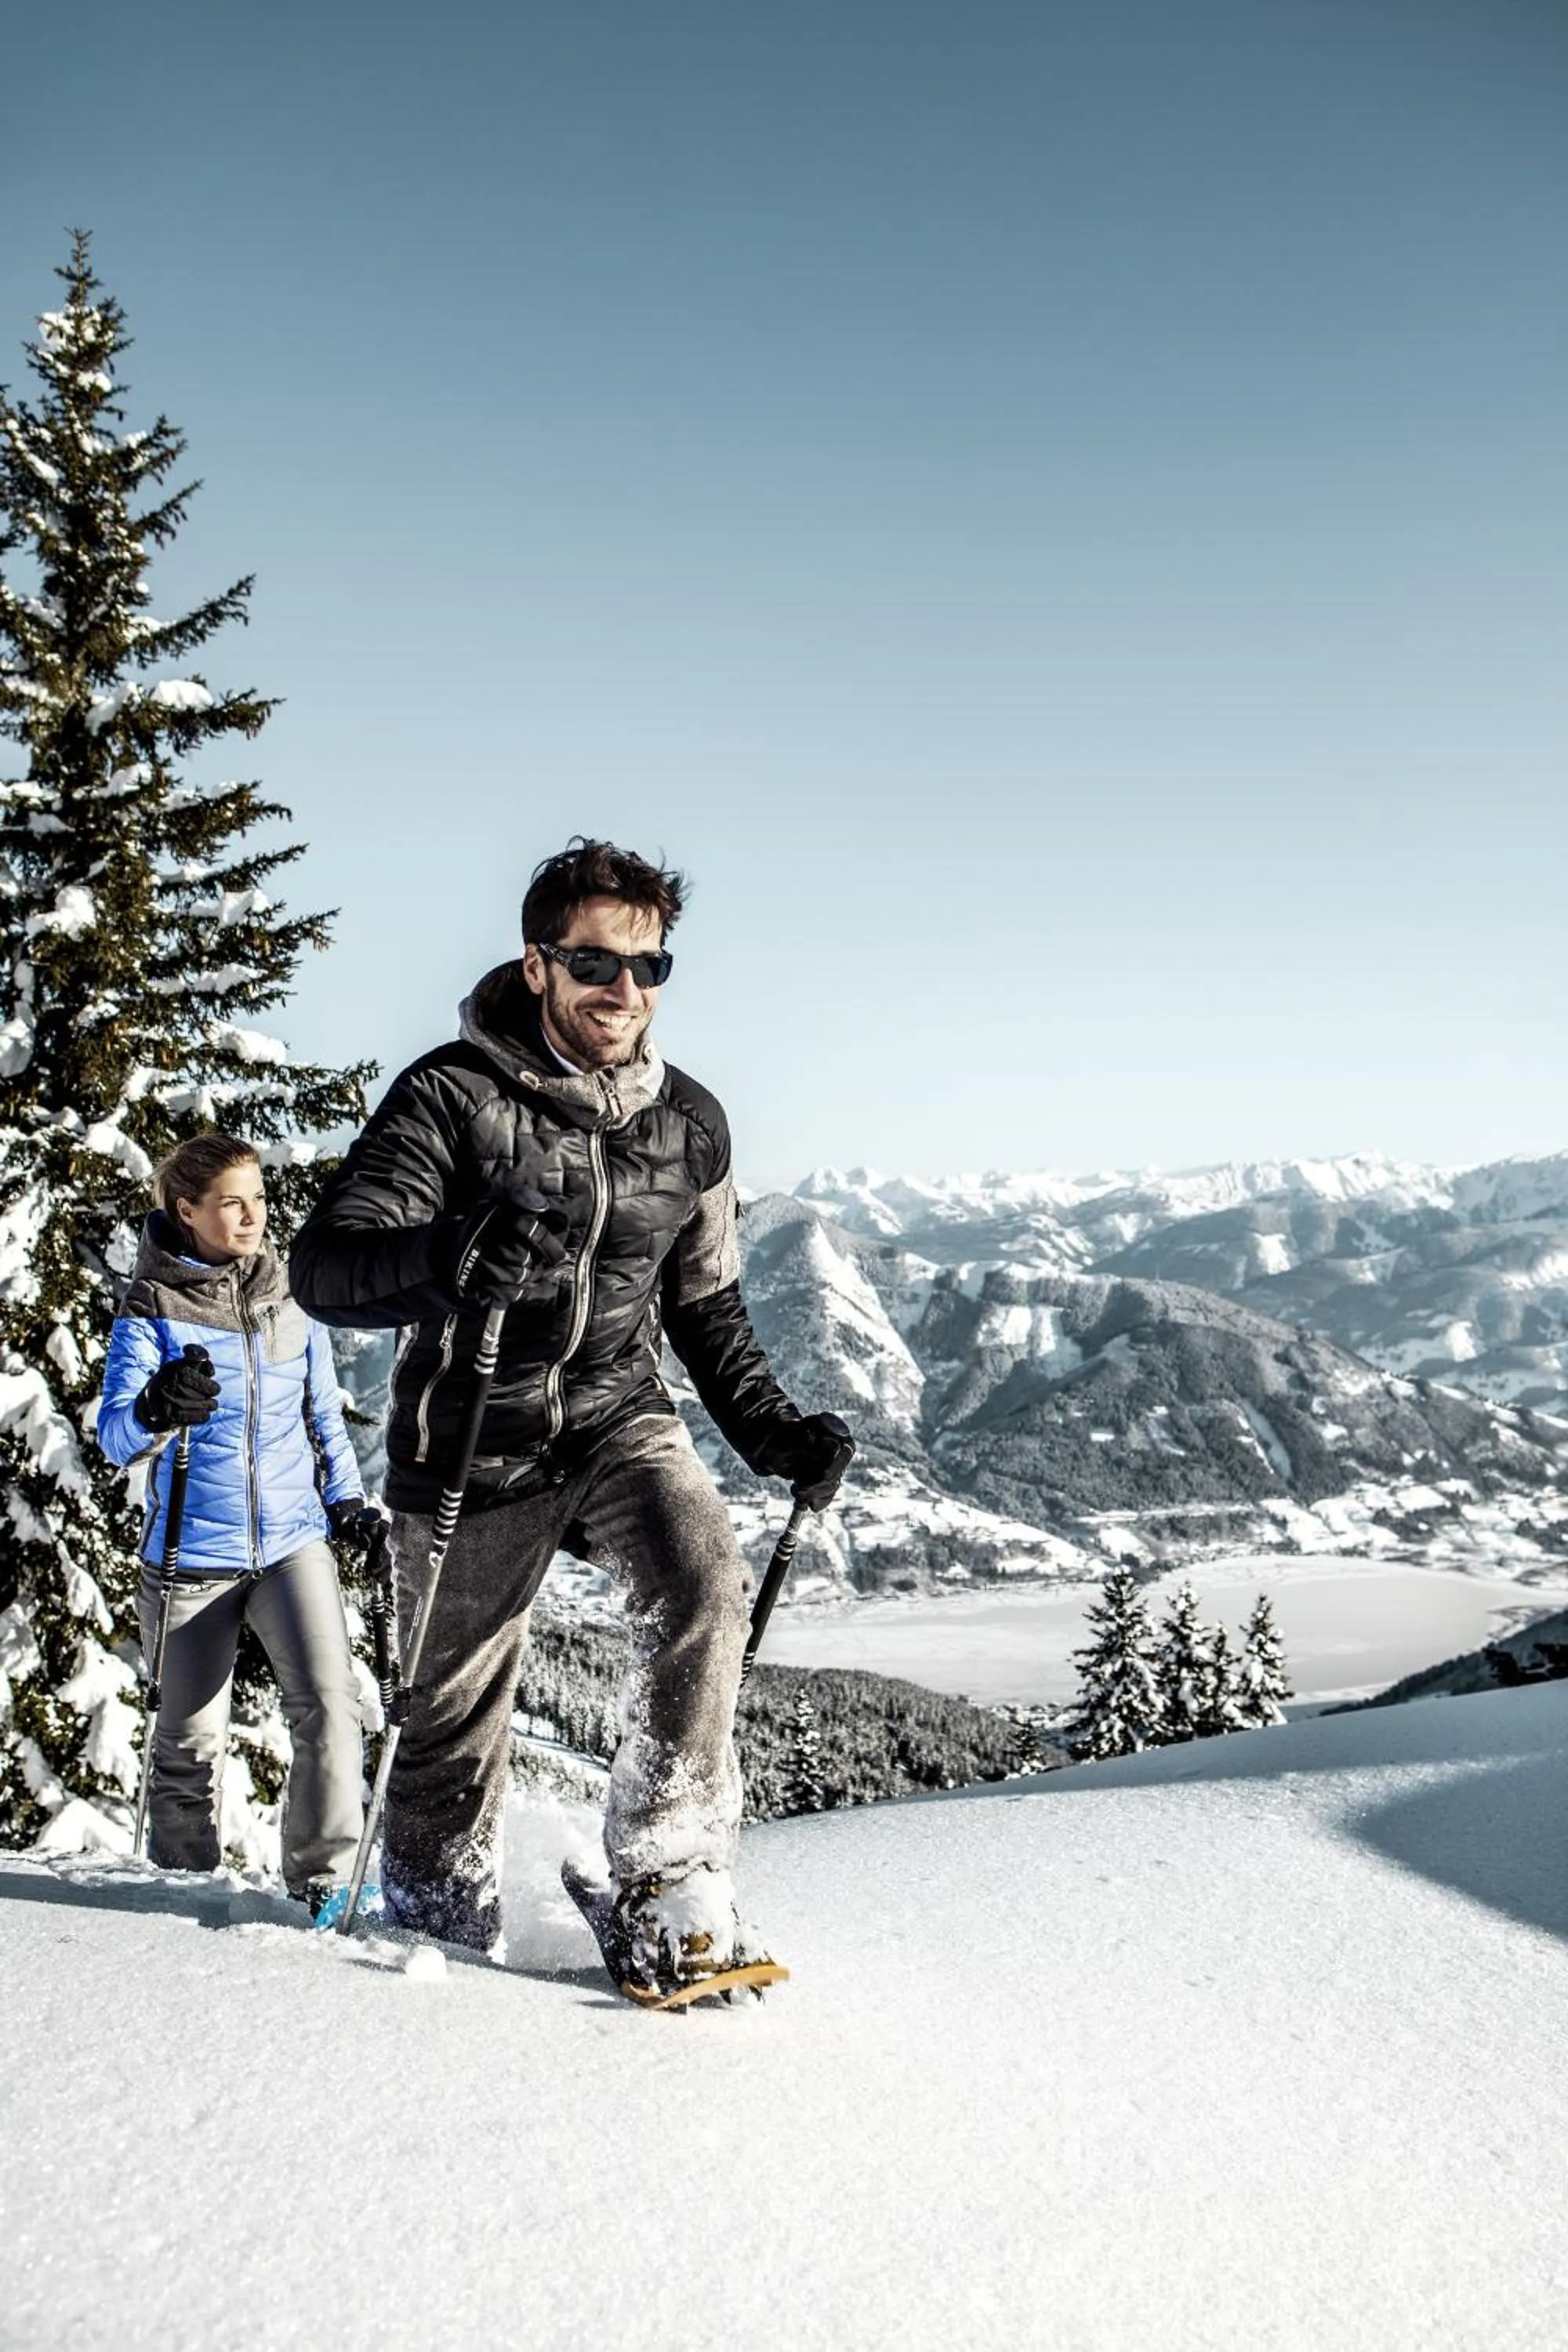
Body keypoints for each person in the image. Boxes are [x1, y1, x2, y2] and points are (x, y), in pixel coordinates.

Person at [288, 837, 853, 1990]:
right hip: (469, 1442)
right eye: (596, 965)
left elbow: (705, 1306)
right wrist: (449, 1257)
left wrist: (770, 1431)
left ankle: (669, 1875)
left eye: (649, 969)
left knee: (703, 1573)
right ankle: (440, 1927)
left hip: (616, 1417)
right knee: (447, 1724)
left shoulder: (689, 1122)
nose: (625, 993)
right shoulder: (450, 1096)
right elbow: (327, 1269)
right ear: (537, 964)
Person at [98, 1132, 376, 1910]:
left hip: (292, 1543)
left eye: (258, 1199)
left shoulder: (290, 1293)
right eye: (231, 1203)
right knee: (188, 1746)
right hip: (192, 1550)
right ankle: (185, 1894)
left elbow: (323, 1411)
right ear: (186, 1210)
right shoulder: (151, 1306)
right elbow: (115, 1434)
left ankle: (321, 1888)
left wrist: (347, 1499)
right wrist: (156, 1409)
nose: (252, 1216)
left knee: (331, 1706)